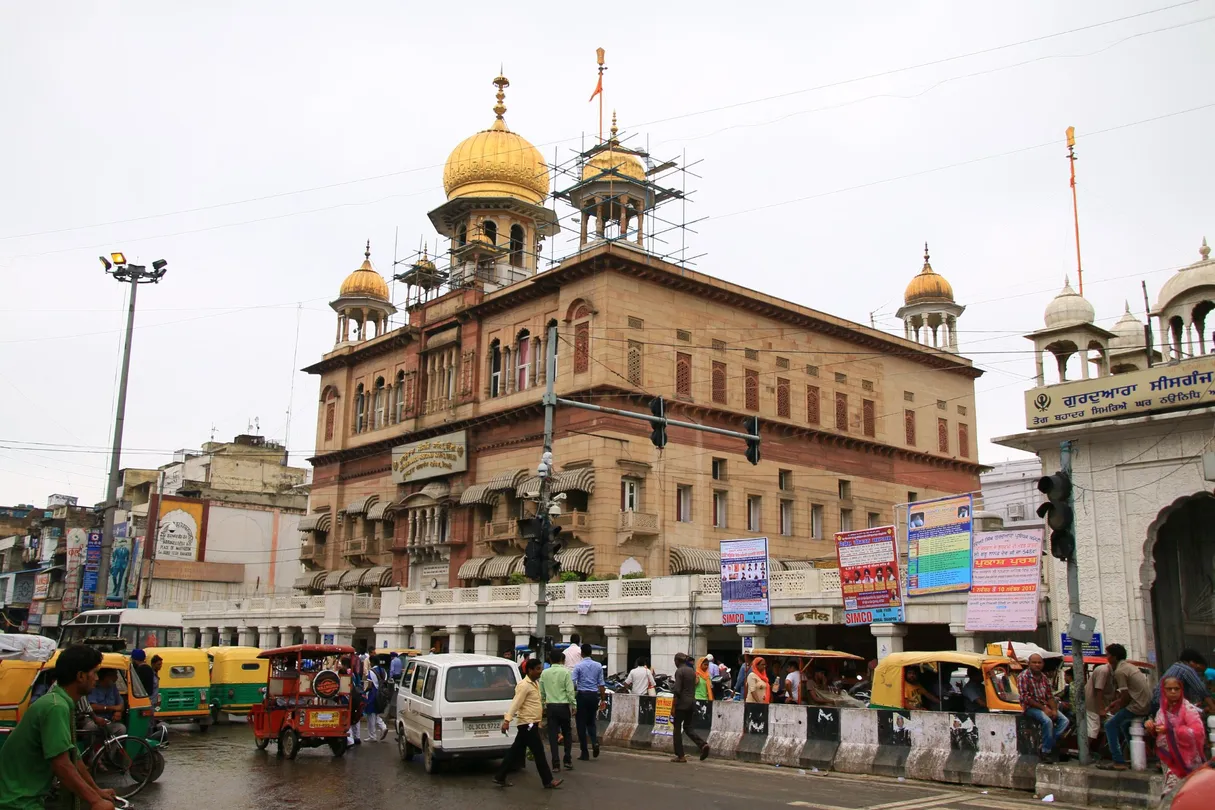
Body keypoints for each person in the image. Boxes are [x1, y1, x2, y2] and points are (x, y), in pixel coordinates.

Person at [0, 644, 117, 810]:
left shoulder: (60, 702)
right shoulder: (56, 707)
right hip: (17, 802)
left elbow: (74, 758)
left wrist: (96, 792)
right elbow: (62, 764)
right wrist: (95, 801)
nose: (97, 679)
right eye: (94, 673)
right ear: (81, 676)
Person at [494, 658, 562, 789]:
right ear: (530, 670)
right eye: (537, 669)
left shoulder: (535, 684)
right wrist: (507, 720)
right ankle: (548, 780)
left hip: (531, 723)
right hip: (528, 724)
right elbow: (516, 703)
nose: (540, 671)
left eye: (540, 668)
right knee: (538, 752)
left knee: (515, 751)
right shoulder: (524, 685)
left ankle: (500, 776)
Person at [1145, 675, 1207, 794]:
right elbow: (1159, 733)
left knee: (1173, 792)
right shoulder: (1162, 710)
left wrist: (1170, 730)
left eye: (1176, 689)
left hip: (1185, 759)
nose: (1173, 691)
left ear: (1181, 690)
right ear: (1164, 691)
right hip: (1168, 758)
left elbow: (1198, 732)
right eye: (1169, 689)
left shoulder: (1188, 709)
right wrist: (1151, 727)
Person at [1100, 643, 1150, 771]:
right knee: (1124, 725)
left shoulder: (1120, 671)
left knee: (1110, 725)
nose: (1107, 657)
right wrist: (1117, 703)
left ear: (1114, 657)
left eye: (1108, 655)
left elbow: (1126, 696)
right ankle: (1136, 756)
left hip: (1138, 706)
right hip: (1144, 703)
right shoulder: (1129, 667)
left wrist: (1117, 708)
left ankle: (1118, 760)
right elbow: (1128, 695)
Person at [1018, 653, 1069, 762]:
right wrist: (1044, 709)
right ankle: (1046, 751)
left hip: (1045, 705)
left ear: (1043, 664)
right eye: (1034, 662)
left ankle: (1048, 743)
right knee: (1047, 721)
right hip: (1030, 707)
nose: (1037, 665)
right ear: (1029, 664)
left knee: (1064, 721)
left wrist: (1054, 710)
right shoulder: (1023, 677)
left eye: (1039, 662)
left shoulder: (1044, 677)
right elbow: (1026, 698)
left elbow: (1049, 696)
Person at [539, 649, 575, 772]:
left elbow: (541, 692)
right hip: (563, 706)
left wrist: (543, 706)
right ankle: (567, 759)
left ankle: (555, 763)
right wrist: (574, 705)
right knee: (567, 733)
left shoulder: (544, 673)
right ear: (561, 660)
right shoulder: (566, 672)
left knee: (553, 735)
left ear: (550, 660)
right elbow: (570, 691)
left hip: (551, 707)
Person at [671, 652, 710, 763]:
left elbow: (677, 690)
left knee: (677, 728)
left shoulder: (679, 671)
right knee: (688, 727)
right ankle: (702, 744)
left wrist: (673, 706)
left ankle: (680, 755)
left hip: (681, 704)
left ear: (677, 661)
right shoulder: (692, 671)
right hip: (692, 702)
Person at [1153, 648, 1215, 715]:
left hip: (1156, 704)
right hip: (1165, 706)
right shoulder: (1186, 669)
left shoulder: (1175, 666)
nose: (1196, 673)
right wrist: (1213, 707)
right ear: (1192, 662)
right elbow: (1201, 690)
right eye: (1198, 669)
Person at [570, 643, 605, 760]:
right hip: (594, 696)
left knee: (581, 724)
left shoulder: (578, 666)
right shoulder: (598, 666)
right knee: (591, 722)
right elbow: (601, 684)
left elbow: (572, 682)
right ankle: (594, 742)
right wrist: (603, 699)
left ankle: (584, 752)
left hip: (582, 695)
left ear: (582, 653)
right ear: (591, 652)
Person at [82, 668, 127, 740]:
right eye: (115, 675)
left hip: (109, 722)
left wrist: (118, 712)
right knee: (90, 727)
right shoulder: (93, 687)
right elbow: (92, 707)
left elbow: (120, 705)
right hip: (94, 721)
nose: (116, 678)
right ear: (107, 677)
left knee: (121, 728)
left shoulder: (113, 688)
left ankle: (110, 747)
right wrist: (112, 708)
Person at [362, 662, 387, 742]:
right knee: (376, 713)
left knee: (371, 715)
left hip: (373, 694)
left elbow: (370, 685)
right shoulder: (383, 671)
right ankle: (383, 727)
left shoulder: (371, 671)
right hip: (382, 694)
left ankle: (372, 736)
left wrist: (364, 691)